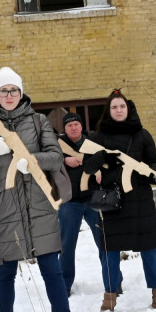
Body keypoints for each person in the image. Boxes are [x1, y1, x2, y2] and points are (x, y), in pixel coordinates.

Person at [0, 67, 73, 312]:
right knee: (5, 274)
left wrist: (32, 161)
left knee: (52, 272)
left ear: (21, 93)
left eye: (13, 90)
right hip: (4, 211)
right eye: (3, 91)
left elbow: (56, 157)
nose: (9, 95)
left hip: (39, 208)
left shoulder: (38, 121)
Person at [83, 89, 156, 312]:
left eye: (122, 106)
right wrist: (102, 157)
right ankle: (110, 296)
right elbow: (88, 166)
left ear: (128, 109)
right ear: (108, 111)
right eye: (114, 107)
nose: (119, 110)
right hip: (113, 201)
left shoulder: (142, 135)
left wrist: (152, 173)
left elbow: (154, 161)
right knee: (110, 249)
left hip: (140, 199)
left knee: (149, 247)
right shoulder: (98, 137)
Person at [56, 112, 110, 296]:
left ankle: (113, 283)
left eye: (76, 124)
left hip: (94, 199)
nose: (73, 128)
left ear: (81, 126)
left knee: (105, 242)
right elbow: (44, 163)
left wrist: (102, 170)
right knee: (66, 246)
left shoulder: (92, 144)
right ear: (64, 129)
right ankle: (64, 286)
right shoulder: (58, 146)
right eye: (69, 125)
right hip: (69, 202)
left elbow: (109, 159)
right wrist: (64, 160)